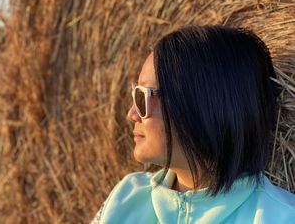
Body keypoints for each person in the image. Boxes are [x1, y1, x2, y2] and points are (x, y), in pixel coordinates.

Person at [91, 25, 295, 224]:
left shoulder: (281, 217)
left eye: (142, 96)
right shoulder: (125, 197)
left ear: (201, 105)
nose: (132, 114)